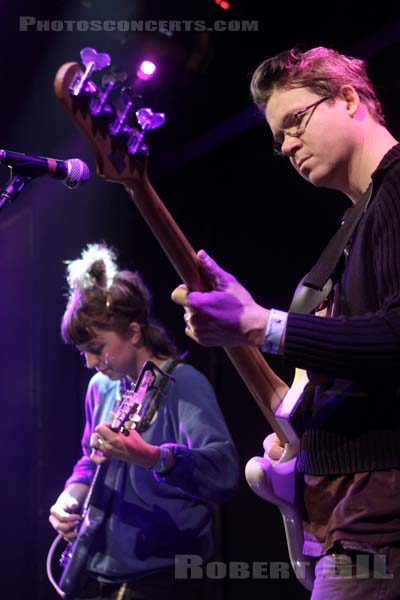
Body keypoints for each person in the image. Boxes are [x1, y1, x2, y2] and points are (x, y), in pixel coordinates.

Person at [171, 46, 400, 598]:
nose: (287, 145)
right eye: (278, 139)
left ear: (348, 98)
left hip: (381, 519)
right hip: (348, 516)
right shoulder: (356, 223)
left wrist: (258, 323)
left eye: (294, 122)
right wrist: (306, 434)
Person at [49, 242, 239, 600]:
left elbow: (223, 472)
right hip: (100, 572)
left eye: (97, 347)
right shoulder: (101, 388)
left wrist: (154, 457)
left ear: (134, 333)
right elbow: (91, 461)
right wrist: (68, 497)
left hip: (166, 579)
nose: (91, 363)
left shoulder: (183, 384)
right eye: (83, 352)